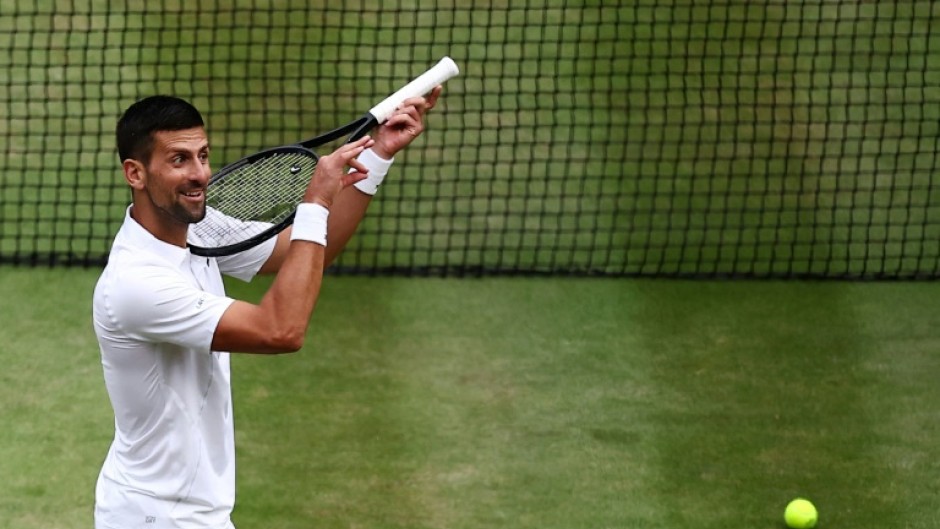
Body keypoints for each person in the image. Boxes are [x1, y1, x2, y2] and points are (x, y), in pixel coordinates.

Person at [92, 88, 441, 529]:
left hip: (190, 512)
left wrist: (378, 157)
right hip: (154, 516)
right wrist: (314, 202)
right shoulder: (136, 284)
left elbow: (306, 248)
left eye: (202, 155)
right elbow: (280, 329)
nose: (200, 174)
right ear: (135, 173)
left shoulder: (198, 229)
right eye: (179, 160)